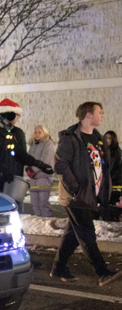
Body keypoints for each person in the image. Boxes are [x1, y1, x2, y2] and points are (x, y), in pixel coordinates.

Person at [51, 102, 122, 286]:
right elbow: (60, 164)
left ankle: (58, 268)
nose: (102, 115)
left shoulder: (97, 137)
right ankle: (101, 272)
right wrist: (75, 188)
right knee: (87, 233)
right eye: (100, 112)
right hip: (76, 196)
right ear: (88, 115)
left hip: (90, 195)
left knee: (73, 234)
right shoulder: (71, 138)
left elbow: (102, 167)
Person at [0, 98, 52, 192]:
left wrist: (40, 165)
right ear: (10, 115)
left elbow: (19, 153)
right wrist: (2, 170)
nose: (17, 119)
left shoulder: (6, 131)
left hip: (4, 181)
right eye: (17, 115)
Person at [27, 125, 56, 217]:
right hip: (33, 177)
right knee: (34, 201)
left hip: (43, 176)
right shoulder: (33, 145)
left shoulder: (48, 144)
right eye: (35, 132)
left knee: (43, 201)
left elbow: (45, 160)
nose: (37, 134)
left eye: (39, 132)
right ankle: (38, 218)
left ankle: (46, 219)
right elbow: (28, 158)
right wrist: (28, 168)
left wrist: (33, 170)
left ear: (44, 133)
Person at [105, 131, 122, 206]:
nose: (107, 140)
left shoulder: (117, 152)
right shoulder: (103, 150)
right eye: (106, 138)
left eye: (110, 138)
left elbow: (110, 167)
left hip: (114, 183)